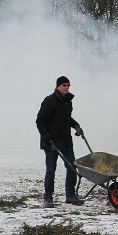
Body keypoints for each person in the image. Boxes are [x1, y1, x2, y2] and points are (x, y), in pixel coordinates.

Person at [35, 76, 84, 208]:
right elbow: (40, 121)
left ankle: (70, 196)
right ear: (57, 86)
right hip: (51, 142)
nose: (66, 87)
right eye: (64, 85)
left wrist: (76, 126)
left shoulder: (68, 101)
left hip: (66, 141)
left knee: (72, 167)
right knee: (51, 170)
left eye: (68, 85)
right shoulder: (49, 101)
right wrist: (46, 137)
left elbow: (67, 118)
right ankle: (48, 198)